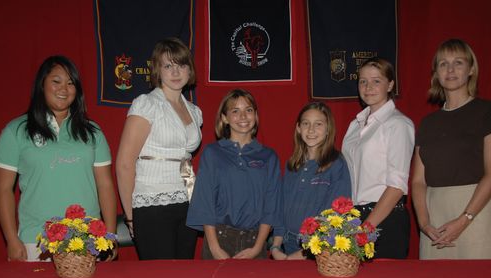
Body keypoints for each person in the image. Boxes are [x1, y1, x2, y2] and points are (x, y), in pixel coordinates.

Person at [0, 55, 116, 261]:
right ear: (42, 85)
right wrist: (12, 240)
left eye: (70, 83)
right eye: (56, 81)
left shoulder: (92, 132)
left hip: (87, 241)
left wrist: (109, 237)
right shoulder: (16, 131)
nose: (64, 89)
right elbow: (2, 189)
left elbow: (105, 184)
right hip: (35, 242)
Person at [412, 38, 491, 259]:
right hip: (434, 217)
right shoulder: (428, 123)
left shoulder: (489, 112)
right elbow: (418, 181)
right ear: (436, 73)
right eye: (443, 63)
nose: (450, 69)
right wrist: (424, 223)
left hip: (477, 213)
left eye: (458, 62)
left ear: (471, 69)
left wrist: (465, 218)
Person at [116, 38, 202, 260]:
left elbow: (185, 160)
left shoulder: (194, 111)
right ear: (157, 70)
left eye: (181, 65)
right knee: (159, 275)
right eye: (168, 65)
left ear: (190, 70)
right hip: (151, 202)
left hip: (187, 203)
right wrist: (130, 217)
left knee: (184, 274)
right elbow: (124, 164)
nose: (175, 72)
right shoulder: (147, 104)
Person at [186, 89, 281, 259]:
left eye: (248, 110)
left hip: (255, 241)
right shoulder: (212, 153)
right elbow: (205, 201)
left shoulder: (268, 156)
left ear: (255, 115)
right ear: (224, 118)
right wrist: (215, 248)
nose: (243, 116)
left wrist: (258, 247)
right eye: (235, 111)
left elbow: (271, 205)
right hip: (218, 240)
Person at [341, 57, 415, 259]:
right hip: (355, 218)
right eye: (363, 81)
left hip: (385, 218)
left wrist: (366, 228)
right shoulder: (354, 125)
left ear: (390, 85)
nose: (368, 87)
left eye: (376, 81)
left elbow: (397, 186)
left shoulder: (398, 124)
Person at [271, 102, 351, 260]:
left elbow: (335, 215)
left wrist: (304, 253)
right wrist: (275, 246)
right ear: (298, 128)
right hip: (287, 243)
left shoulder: (336, 164)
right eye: (306, 123)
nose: (311, 130)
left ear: (328, 129)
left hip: (316, 249)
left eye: (318, 124)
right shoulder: (292, 165)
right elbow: (281, 208)